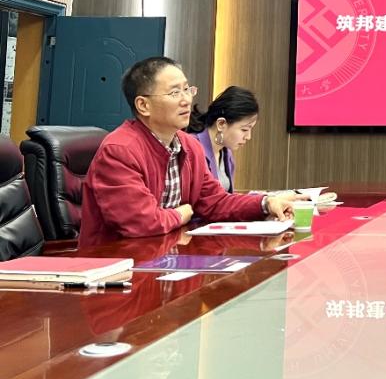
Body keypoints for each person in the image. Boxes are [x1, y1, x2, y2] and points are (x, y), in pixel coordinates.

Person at [79, 57, 294, 247]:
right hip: (119, 265)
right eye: (175, 92)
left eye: (187, 89)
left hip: (166, 257)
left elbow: (216, 202)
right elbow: (142, 222)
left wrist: (266, 203)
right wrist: (181, 214)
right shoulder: (120, 151)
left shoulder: (189, 146)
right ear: (143, 105)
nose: (186, 100)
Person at [187, 86, 258, 193]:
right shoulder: (192, 148)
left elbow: (227, 197)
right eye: (244, 129)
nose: (248, 137)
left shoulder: (226, 153)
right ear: (221, 124)